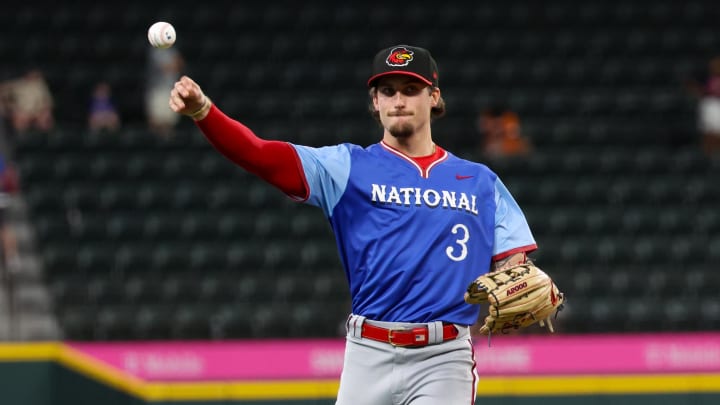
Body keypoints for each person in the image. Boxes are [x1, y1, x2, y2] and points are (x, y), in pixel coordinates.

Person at [169, 45, 538, 404]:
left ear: (434, 97)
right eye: (387, 91)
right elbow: (261, 155)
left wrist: (514, 274)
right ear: (375, 102)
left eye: (411, 90)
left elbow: (513, 260)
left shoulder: (480, 181)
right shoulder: (347, 167)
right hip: (368, 352)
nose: (398, 100)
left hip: (443, 358)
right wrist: (205, 111)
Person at [0, 69, 54, 135]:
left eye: (41, 124)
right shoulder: (46, 101)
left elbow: (13, 115)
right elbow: (36, 76)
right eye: (46, 119)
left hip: (7, 93)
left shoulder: (27, 116)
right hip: (12, 80)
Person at [685, 56, 720, 155]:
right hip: (710, 105)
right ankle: (708, 153)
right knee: (710, 132)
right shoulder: (705, 78)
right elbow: (694, 87)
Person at [146, 46, 184, 136]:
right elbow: (165, 67)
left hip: (170, 89)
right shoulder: (155, 51)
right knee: (156, 121)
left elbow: (180, 64)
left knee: (169, 122)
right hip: (157, 89)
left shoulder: (172, 50)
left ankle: (167, 144)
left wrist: (174, 64)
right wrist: (173, 64)